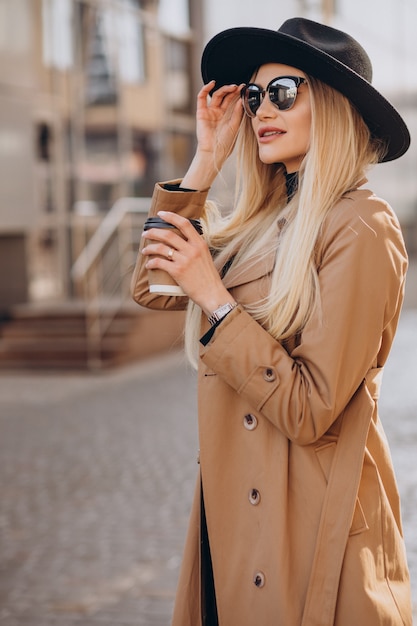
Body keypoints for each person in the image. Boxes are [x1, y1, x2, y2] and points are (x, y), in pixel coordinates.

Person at [131, 17, 412, 626]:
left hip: (307, 529)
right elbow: (153, 289)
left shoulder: (362, 225)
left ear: (333, 108)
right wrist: (206, 161)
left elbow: (312, 409)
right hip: (233, 516)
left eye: (283, 92)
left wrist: (216, 299)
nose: (262, 110)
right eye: (254, 96)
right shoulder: (257, 224)